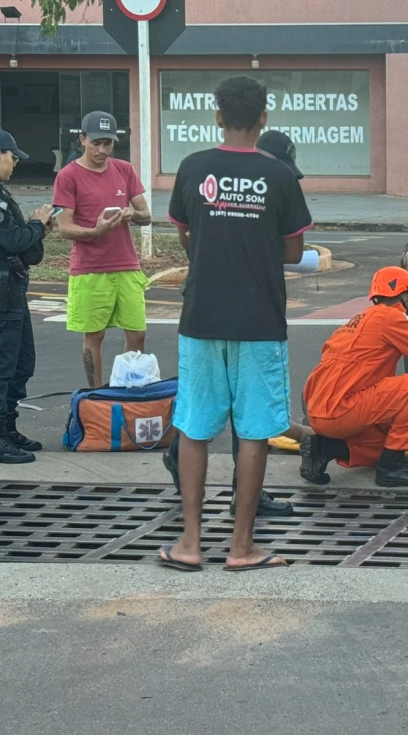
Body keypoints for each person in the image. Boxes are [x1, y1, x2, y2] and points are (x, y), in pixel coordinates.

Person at [160, 75, 313, 572]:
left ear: (218, 116)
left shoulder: (193, 167)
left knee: (194, 427)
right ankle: (242, 547)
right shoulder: (280, 176)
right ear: (264, 118)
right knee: (252, 433)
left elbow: (186, 235)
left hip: (201, 313)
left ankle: (189, 543)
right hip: (259, 319)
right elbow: (294, 249)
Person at [301, 266, 408, 488]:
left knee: (384, 445)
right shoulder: (391, 317)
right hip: (340, 409)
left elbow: (371, 389)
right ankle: (393, 468)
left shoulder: (359, 319)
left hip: (320, 408)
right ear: (406, 296)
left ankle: (323, 448)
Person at [53, 111, 152, 388]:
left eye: (108, 143)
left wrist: (132, 214)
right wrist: (96, 232)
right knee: (94, 337)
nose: (102, 150)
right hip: (89, 269)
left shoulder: (124, 169)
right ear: (82, 139)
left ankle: (127, 388)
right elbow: (64, 227)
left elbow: (146, 214)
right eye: (96, 142)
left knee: (137, 333)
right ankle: (96, 395)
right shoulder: (68, 176)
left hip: (127, 265)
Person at [0, 130, 53, 463]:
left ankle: (8, 428)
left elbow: (27, 251)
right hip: (3, 299)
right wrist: (35, 225)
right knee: (3, 369)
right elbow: (9, 242)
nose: (15, 162)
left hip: (14, 293)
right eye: (11, 156)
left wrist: (39, 229)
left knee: (21, 366)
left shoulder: (5, 194)